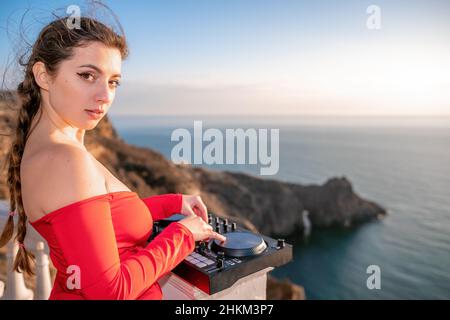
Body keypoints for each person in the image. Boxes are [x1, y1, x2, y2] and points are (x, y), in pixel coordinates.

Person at [0, 15, 226, 300]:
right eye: (87, 76)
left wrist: (173, 203)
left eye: (113, 82)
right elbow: (110, 292)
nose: (105, 95)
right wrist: (182, 234)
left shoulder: (54, 150)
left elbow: (101, 221)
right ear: (44, 75)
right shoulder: (65, 159)